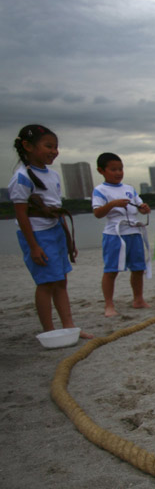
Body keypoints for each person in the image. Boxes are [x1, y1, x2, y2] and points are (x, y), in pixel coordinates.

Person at [7, 125, 93, 340]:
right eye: (48, 146)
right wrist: (34, 246)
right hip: (38, 234)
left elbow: (56, 208)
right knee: (46, 283)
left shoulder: (52, 175)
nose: (54, 151)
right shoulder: (21, 177)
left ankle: (69, 326)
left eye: (56, 147)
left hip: (56, 230)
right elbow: (21, 215)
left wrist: (69, 241)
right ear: (28, 146)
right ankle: (49, 331)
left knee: (61, 280)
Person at [92, 152, 152, 316]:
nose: (118, 173)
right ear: (101, 171)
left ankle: (138, 299)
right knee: (111, 270)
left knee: (138, 268)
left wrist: (144, 208)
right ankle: (109, 305)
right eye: (113, 169)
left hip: (134, 231)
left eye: (120, 169)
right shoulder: (100, 190)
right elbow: (97, 213)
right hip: (114, 234)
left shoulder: (129, 189)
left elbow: (140, 207)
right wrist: (112, 204)